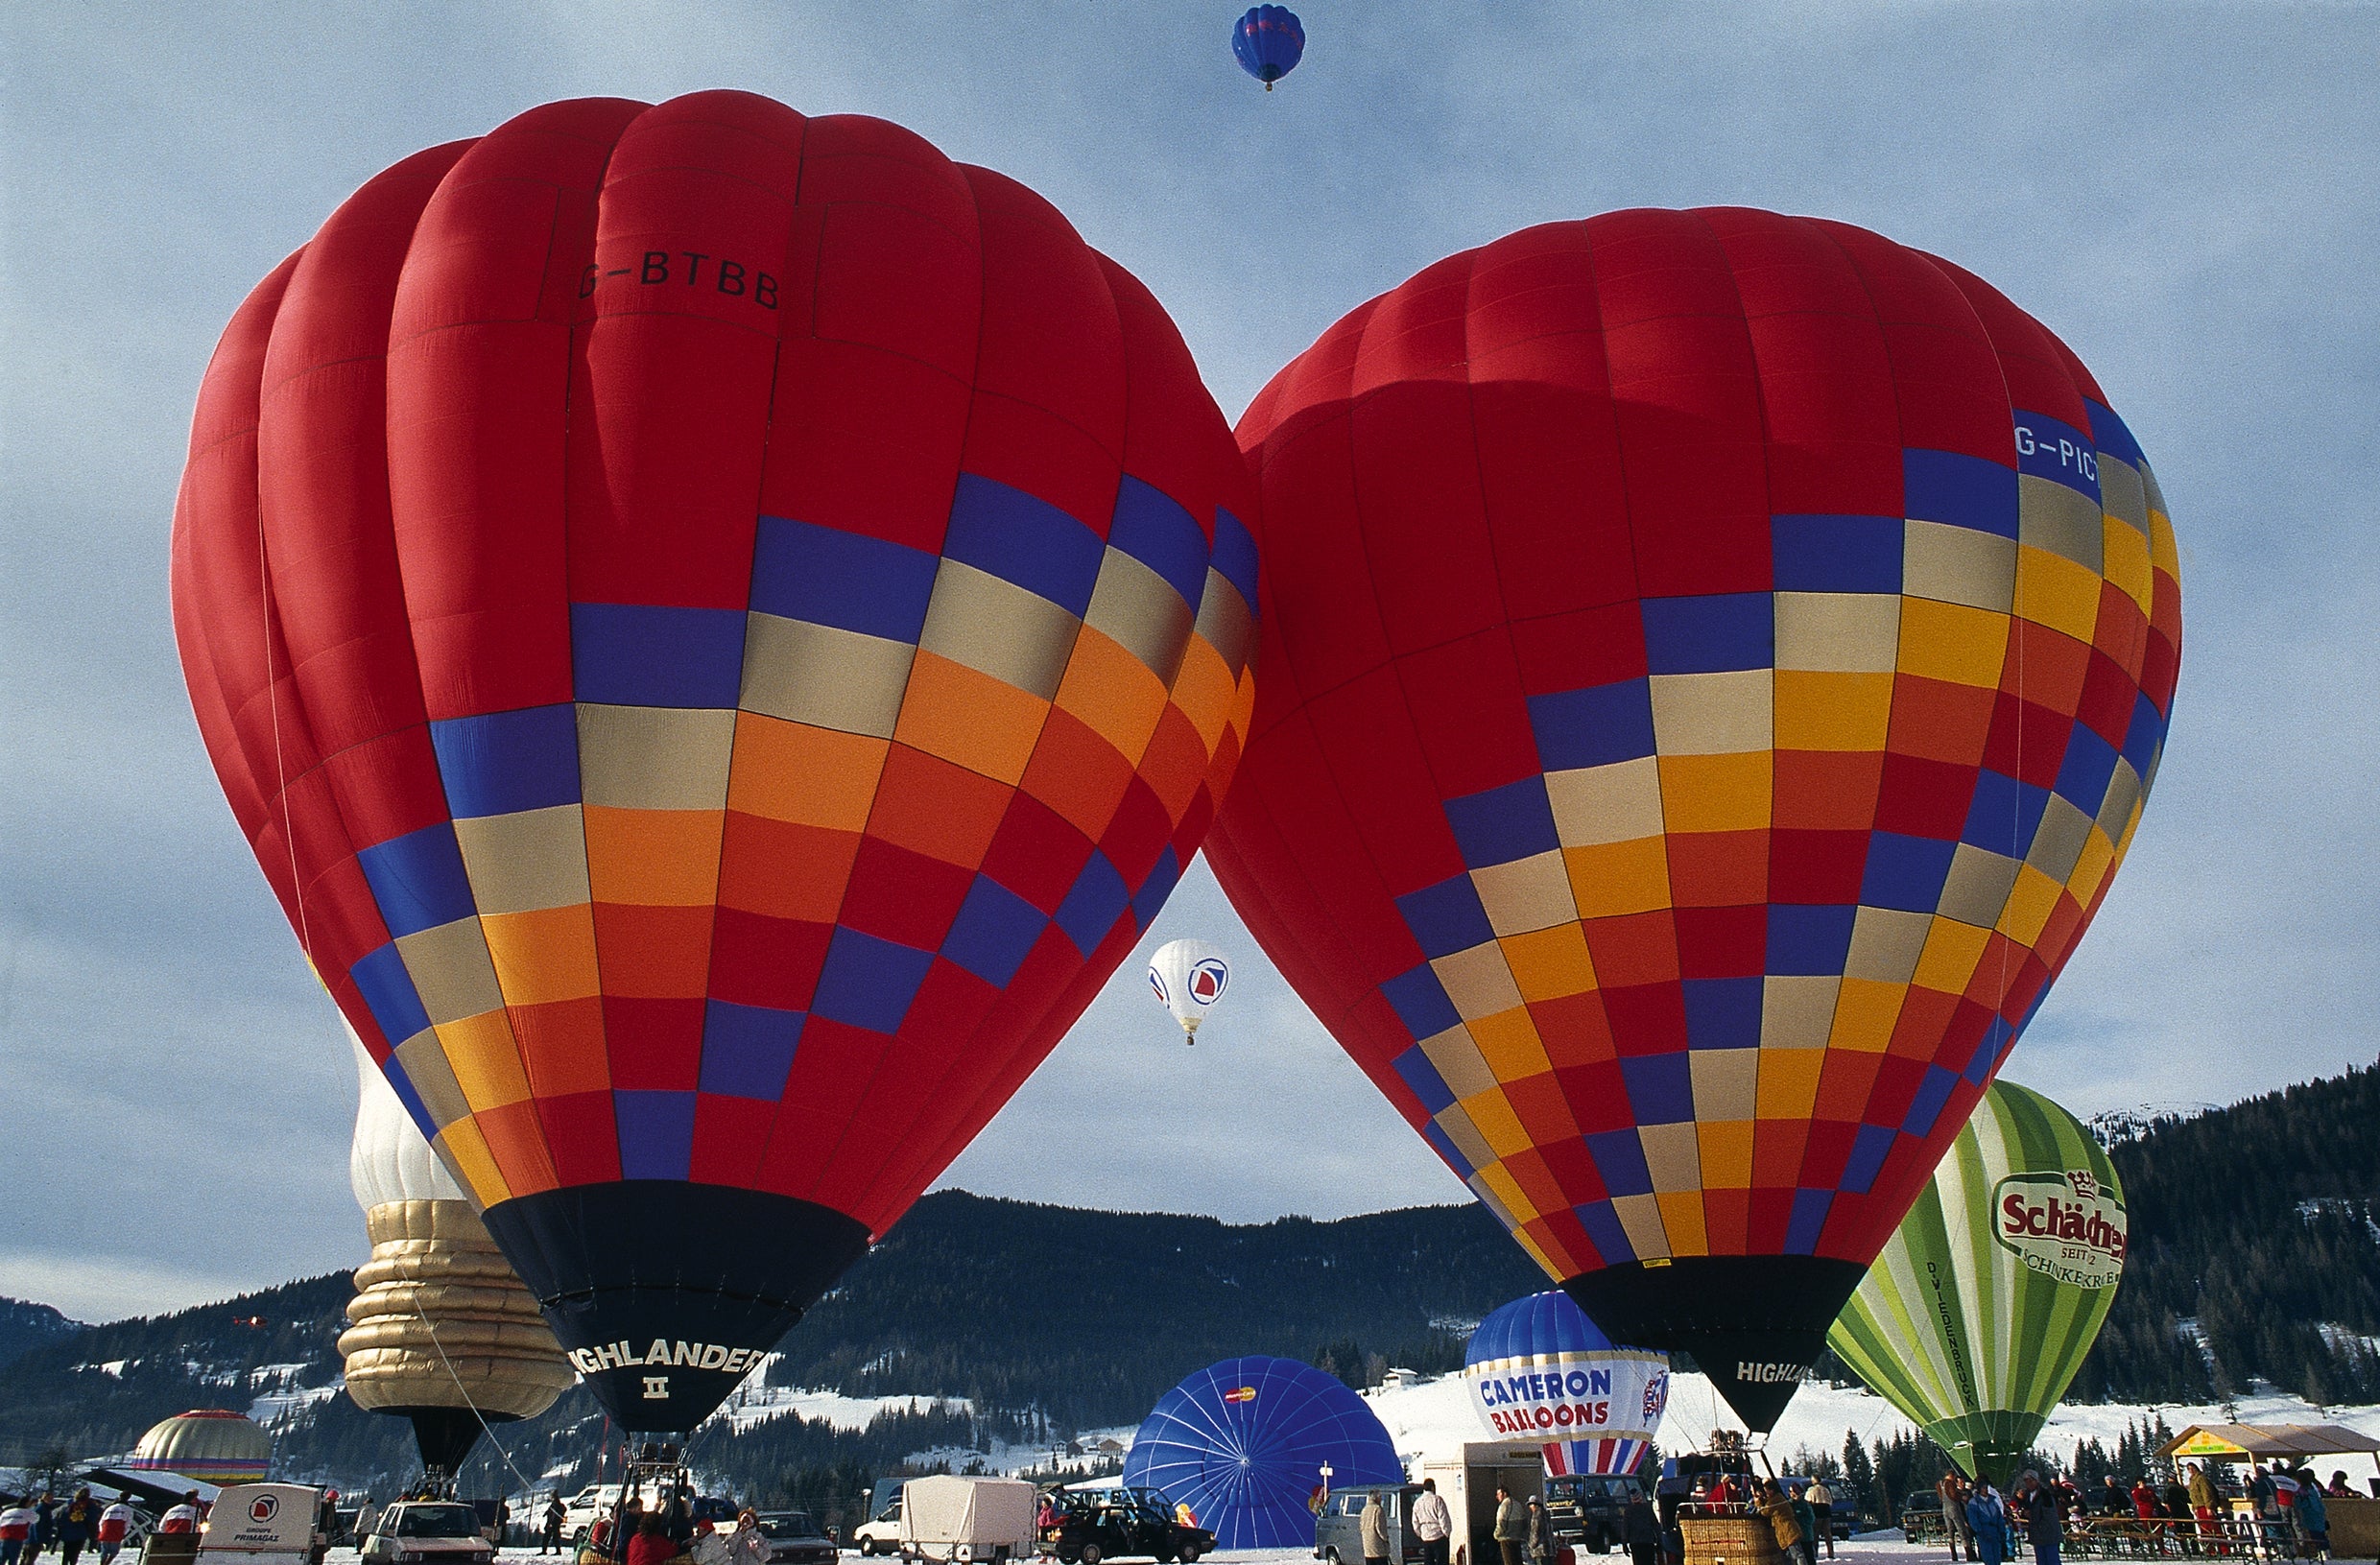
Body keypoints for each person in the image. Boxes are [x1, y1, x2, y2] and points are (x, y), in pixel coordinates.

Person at [2013, 1473, 2060, 1565]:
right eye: (2026, 1481)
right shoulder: (2027, 1496)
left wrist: (2033, 1516)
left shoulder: (2045, 1495)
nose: (2029, 1483)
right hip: (2037, 1534)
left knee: (2052, 1560)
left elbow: (2049, 1514)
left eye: (2031, 1481)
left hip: (2048, 1533)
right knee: (2041, 1561)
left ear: (2036, 1480)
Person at [1756, 1482, 1807, 1565]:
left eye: (1767, 1491)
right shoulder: (1777, 1498)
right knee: (1789, 1555)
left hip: (1788, 1530)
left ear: (1772, 1490)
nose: (1766, 1493)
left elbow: (1765, 1512)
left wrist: (1758, 1501)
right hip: (1786, 1530)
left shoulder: (1776, 1500)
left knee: (1797, 1554)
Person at [1964, 1482, 2010, 1565]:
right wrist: (1979, 1530)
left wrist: (2002, 1530)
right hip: (1983, 1530)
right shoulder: (1974, 1502)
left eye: (1986, 1488)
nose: (1985, 1490)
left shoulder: (1993, 1501)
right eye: (1983, 1488)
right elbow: (1973, 1519)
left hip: (1995, 1530)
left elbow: (1999, 1516)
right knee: (1988, 1556)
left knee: (1997, 1556)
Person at [1412, 1480, 1453, 1565]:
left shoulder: (1418, 1502)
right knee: (1442, 1561)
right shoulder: (1437, 1500)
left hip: (1426, 1536)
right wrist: (1446, 1533)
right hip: (1439, 1536)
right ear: (1433, 1487)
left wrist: (1420, 1534)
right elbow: (1443, 1518)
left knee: (1428, 1561)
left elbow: (1415, 1522)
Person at [1939, 1473, 1976, 1563]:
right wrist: (1961, 1497)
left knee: (1950, 1532)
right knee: (1962, 1532)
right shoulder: (1950, 1484)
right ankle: (1969, 1554)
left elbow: (1942, 1497)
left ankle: (1954, 1554)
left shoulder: (1940, 1484)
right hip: (1954, 1509)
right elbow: (1953, 1495)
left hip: (1945, 1509)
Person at [2295, 1471, 2328, 1559]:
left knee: (2315, 1534)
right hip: (2318, 1512)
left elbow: (2300, 1503)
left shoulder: (2302, 1491)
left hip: (2309, 1513)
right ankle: (2326, 1552)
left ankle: (2322, 1552)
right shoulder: (2312, 1488)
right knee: (2321, 1533)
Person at [57, 1494, 96, 1565]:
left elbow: (60, 1521)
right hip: (79, 1534)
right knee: (74, 1555)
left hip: (68, 1534)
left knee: (66, 1554)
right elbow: (91, 1520)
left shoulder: (67, 1508)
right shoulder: (85, 1510)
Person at [1623, 1492, 1660, 1565]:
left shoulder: (1628, 1511)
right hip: (1648, 1542)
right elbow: (1656, 1525)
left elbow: (1625, 1528)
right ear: (1641, 1498)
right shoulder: (1647, 1509)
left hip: (1635, 1544)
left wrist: (1624, 1544)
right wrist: (1659, 1540)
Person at [1493, 1486, 1526, 1565]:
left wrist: (1496, 1535)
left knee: (1509, 1562)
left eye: (1498, 1494)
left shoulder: (1503, 1506)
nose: (1497, 1496)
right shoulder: (1518, 1505)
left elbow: (1501, 1524)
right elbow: (1524, 1523)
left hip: (1506, 1539)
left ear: (1504, 1494)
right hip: (1517, 1539)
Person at [1803, 1479, 1835, 1560]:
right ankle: (1830, 1553)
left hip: (1817, 1512)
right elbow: (1830, 1501)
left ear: (1813, 1481)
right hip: (1827, 1512)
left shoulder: (1811, 1490)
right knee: (1827, 1534)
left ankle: (1814, 1553)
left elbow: (1807, 1501)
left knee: (1815, 1534)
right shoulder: (1826, 1490)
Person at [93, 1500, 131, 1565]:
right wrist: (124, 1533)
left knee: (104, 1551)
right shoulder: (127, 1509)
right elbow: (128, 1523)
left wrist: (101, 1531)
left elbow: (101, 1522)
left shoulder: (109, 1509)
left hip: (105, 1531)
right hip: (117, 1532)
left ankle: (102, 1563)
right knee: (114, 1551)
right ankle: (107, 1563)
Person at [2, 1501, 35, 1565]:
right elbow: (36, 1519)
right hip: (16, 1538)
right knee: (13, 1560)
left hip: (4, 1537)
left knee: (2, 1558)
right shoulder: (26, 1513)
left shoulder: (7, 1512)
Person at [1362, 1493, 1391, 1565]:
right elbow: (1380, 1527)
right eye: (1380, 1497)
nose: (1381, 1499)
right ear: (1376, 1498)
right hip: (1378, 1545)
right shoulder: (1378, 1509)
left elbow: (1361, 1525)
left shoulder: (1364, 1510)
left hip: (1367, 1544)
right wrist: (1385, 1539)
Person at [1525, 1496, 1551, 1565]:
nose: (1530, 1507)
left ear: (1536, 1505)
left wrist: (1530, 1545)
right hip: (1549, 1550)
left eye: (1531, 1504)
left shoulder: (1536, 1516)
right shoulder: (1545, 1514)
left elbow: (1535, 1533)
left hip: (1540, 1551)